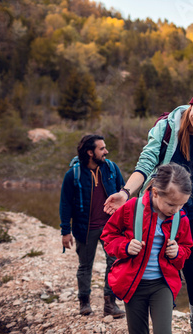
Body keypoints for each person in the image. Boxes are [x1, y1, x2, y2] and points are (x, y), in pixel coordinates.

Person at [104, 81, 193, 333]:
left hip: (189, 206)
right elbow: (146, 163)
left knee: (189, 262)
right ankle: (145, 299)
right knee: (147, 253)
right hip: (159, 202)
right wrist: (126, 192)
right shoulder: (166, 128)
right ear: (191, 105)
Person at [101, 163, 193, 334]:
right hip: (133, 283)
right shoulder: (131, 208)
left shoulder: (181, 219)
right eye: (172, 204)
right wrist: (126, 246)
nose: (177, 210)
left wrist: (178, 252)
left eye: (182, 205)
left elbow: (187, 248)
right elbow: (109, 236)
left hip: (162, 285)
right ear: (156, 192)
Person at [59, 134, 126, 318]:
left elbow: (124, 193)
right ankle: (84, 302)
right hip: (85, 229)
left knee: (114, 263)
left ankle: (110, 304)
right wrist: (66, 232)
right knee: (85, 266)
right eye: (102, 148)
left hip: (111, 227)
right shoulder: (73, 175)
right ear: (90, 152)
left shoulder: (111, 168)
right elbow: (65, 204)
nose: (106, 151)